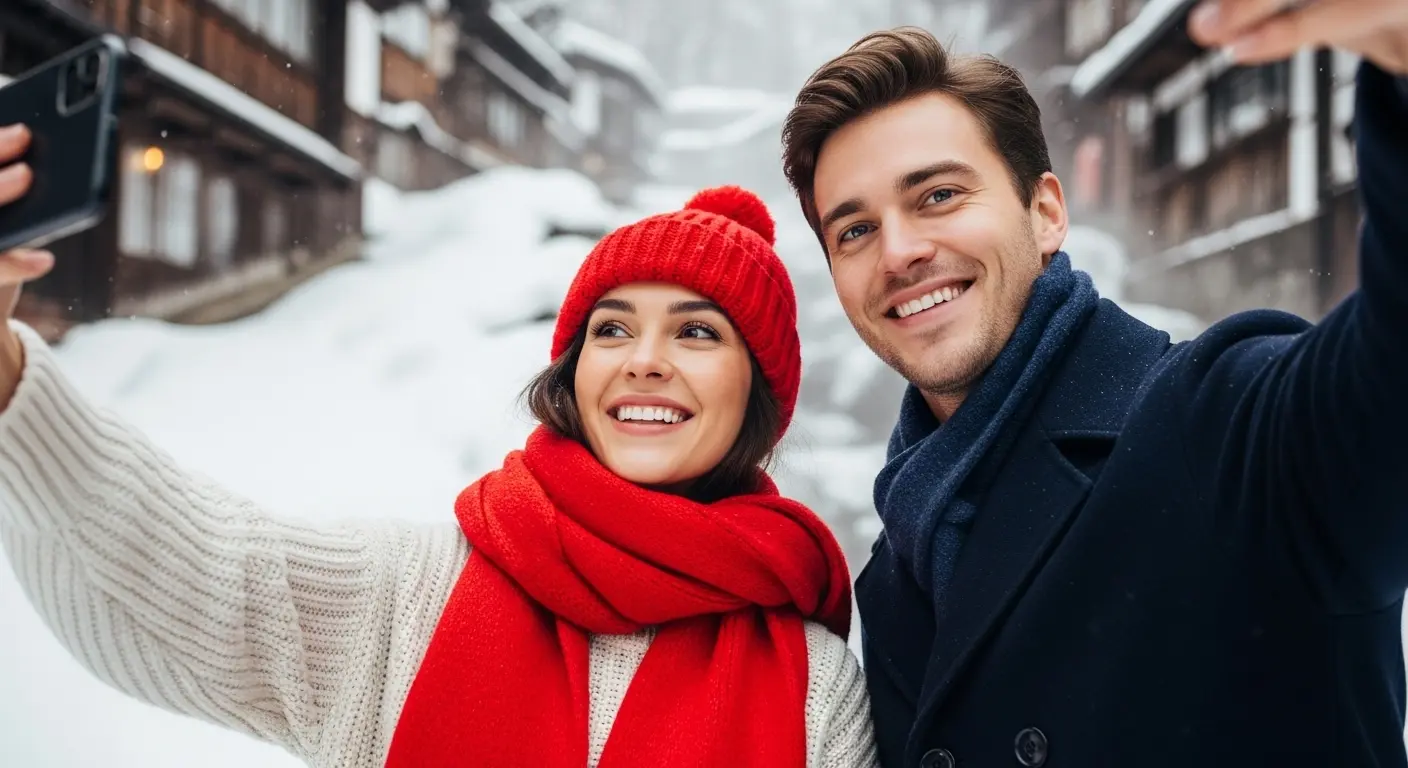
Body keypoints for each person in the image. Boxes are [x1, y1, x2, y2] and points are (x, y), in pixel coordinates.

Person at [0, 155, 878, 767]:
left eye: (696, 331)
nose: (644, 358)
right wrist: (11, 383)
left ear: (757, 394)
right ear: (575, 374)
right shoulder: (414, 589)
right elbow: (191, 572)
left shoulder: (813, 681)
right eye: (612, 329)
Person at [778, 0, 1408, 765]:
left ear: (1045, 212)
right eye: (855, 230)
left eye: (938, 195)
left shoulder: (1221, 427)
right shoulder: (895, 575)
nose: (899, 251)